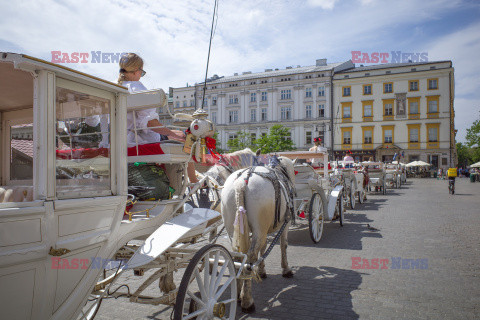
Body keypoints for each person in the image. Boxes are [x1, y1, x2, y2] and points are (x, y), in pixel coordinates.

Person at [118, 53, 198, 183]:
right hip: (137, 141)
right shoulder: (137, 87)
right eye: (141, 72)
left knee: (176, 134)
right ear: (135, 71)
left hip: (117, 141)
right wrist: (173, 134)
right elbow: (150, 123)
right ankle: (193, 183)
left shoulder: (116, 86)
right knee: (186, 138)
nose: (140, 76)